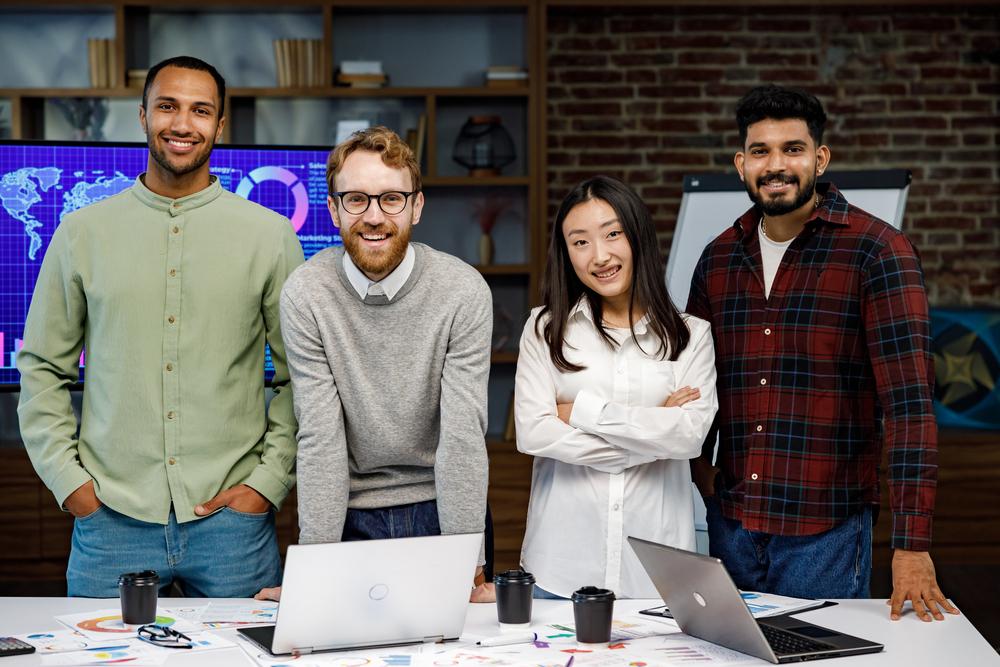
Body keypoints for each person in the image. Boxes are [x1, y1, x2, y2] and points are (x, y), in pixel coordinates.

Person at [16, 56, 303, 598]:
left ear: (220, 126)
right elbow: (41, 369)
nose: (181, 123)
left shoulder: (271, 238)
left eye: (201, 110)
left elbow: (303, 378)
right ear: (143, 114)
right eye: (167, 106)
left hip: (233, 526)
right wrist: (71, 484)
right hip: (111, 520)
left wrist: (266, 485)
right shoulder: (81, 233)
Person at [686, 84, 959, 622]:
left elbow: (909, 408)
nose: (776, 165)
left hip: (826, 533)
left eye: (793, 149)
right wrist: (699, 468)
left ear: (820, 158)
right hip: (732, 522)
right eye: (761, 151)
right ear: (741, 164)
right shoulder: (717, 258)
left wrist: (911, 544)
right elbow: (694, 380)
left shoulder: (877, 251)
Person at [257, 126, 493, 602]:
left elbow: (462, 436)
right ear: (333, 209)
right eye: (357, 200)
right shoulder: (306, 294)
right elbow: (320, 436)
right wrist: (315, 565)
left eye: (391, 199)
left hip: (442, 509)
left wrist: (468, 562)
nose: (374, 217)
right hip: (349, 513)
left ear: (416, 207)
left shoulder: (463, 291)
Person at [514, 175, 718, 599]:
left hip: (658, 572)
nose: (600, 255)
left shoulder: (691, 335)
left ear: (638, 236)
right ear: (566, 252)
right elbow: (534, 432)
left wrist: (581, 414)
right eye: (581, 242)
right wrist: (654, 429)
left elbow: (690, 438)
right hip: (561, 567)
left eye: (612, 234)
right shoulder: (544, 328)